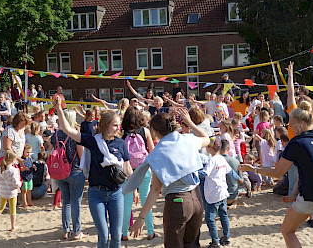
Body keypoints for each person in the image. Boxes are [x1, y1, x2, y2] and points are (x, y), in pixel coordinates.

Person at [239, 101, 313, 248]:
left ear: (302, 123)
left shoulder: (297, 142)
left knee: (287, 231)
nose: (290, 127)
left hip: (310, 195)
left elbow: (278, 172)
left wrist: (253, 169)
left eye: (292, 123)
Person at [54, 96, 132, 247]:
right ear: (106, 125)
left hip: (116, 193)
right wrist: (58, 108)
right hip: (96, 194)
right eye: (115, 125)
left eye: (119, 125)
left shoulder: (121, 143)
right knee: (103, 236)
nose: (118, 128)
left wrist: (133, 188)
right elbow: (67, 129)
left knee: (116, 235)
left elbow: (127, 168)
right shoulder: (93, 141)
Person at [125, 108, 210, 247]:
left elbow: (155, 190)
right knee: (193, 244)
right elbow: (206, 138)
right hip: (196, 199)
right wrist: (190, 124)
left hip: (177, 201)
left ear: (153, 130)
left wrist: (141, 218)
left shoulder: (158, 152)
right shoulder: (187, 139)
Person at [121, 107, 157, 241]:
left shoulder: (122, 133)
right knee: (146, 201)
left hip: (128, 170)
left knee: (127, 204)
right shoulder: (145, 131)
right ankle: (150, 232)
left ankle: (124, 233)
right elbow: (152, 153)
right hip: (144, 170)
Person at [49, 109, 86, 240]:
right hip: (75, 170)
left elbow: (51, 152)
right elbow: (82, 156)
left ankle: (66, 230)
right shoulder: (76, 135)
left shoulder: (55, 136)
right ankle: (77, 232)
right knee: (76, 202)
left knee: (66, 202)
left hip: (59, 172)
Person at [201, 136, 235, 248]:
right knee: (223, 215)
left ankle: (215, 242)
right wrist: (239, 179)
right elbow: (231, 172)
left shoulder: (212, 160)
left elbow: (205, 174)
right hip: (223, 192)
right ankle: (226, 237)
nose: (205, 148)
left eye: (207, 147)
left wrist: (193, 173)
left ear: (211, 148)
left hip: (213, 194)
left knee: (210, 219)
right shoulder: (221, 158)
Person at [0, 150, 22, 232]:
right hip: (12, 192)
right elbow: (15, 183)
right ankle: (13, 226)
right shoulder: (13, 170)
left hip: (3, 192)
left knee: (1, 207)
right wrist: (19, 184)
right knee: (13, 209)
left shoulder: (1, 169)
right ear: (13, 160)